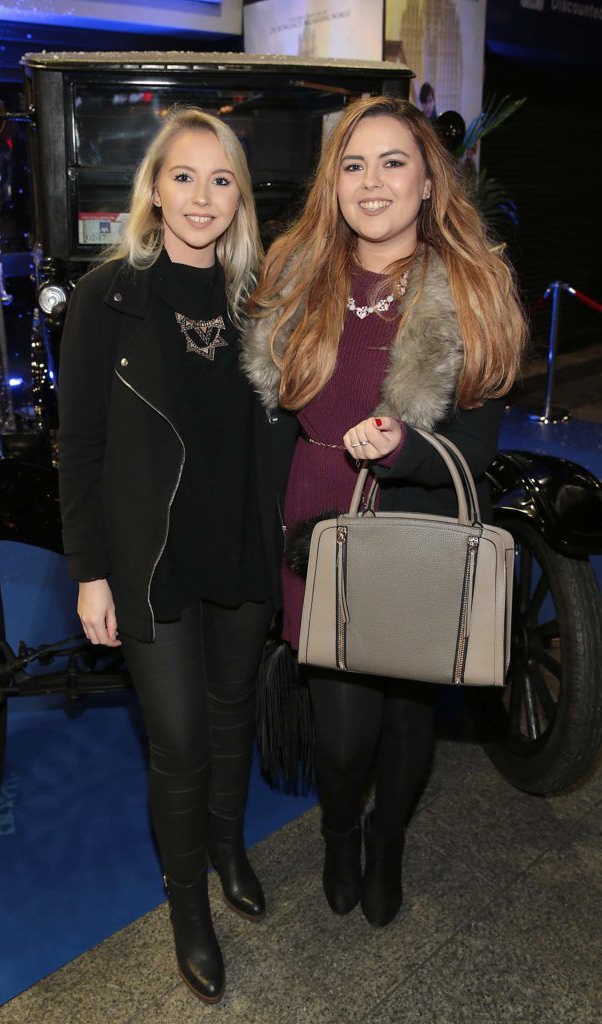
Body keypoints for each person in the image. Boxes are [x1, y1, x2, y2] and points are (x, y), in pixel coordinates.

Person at [243, 96, 526, 928]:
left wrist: (404, 447)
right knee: (339, 733)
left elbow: (472, 448)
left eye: (392, 161)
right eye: (353, 165)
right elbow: (263, 431)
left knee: (406, 726)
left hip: (412, 530)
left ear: (428, 179)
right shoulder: (293, 279)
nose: (372, 182)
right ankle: (339, 833)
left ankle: (388, 840)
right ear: (332, 184)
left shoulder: (470, 291)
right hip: (314, 527)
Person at [57, 108, 285, 1004]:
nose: (201, 197)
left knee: (233, 711)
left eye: (220, 179)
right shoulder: (106, 298)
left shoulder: (261, 300)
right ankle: (186, 902)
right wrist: (88, 571)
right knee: (180, 736)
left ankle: (227, 845)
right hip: (149, 555)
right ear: (154, 188)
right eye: (183, 177)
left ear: (238, 198)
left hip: (238, 541)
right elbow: (77, 448)